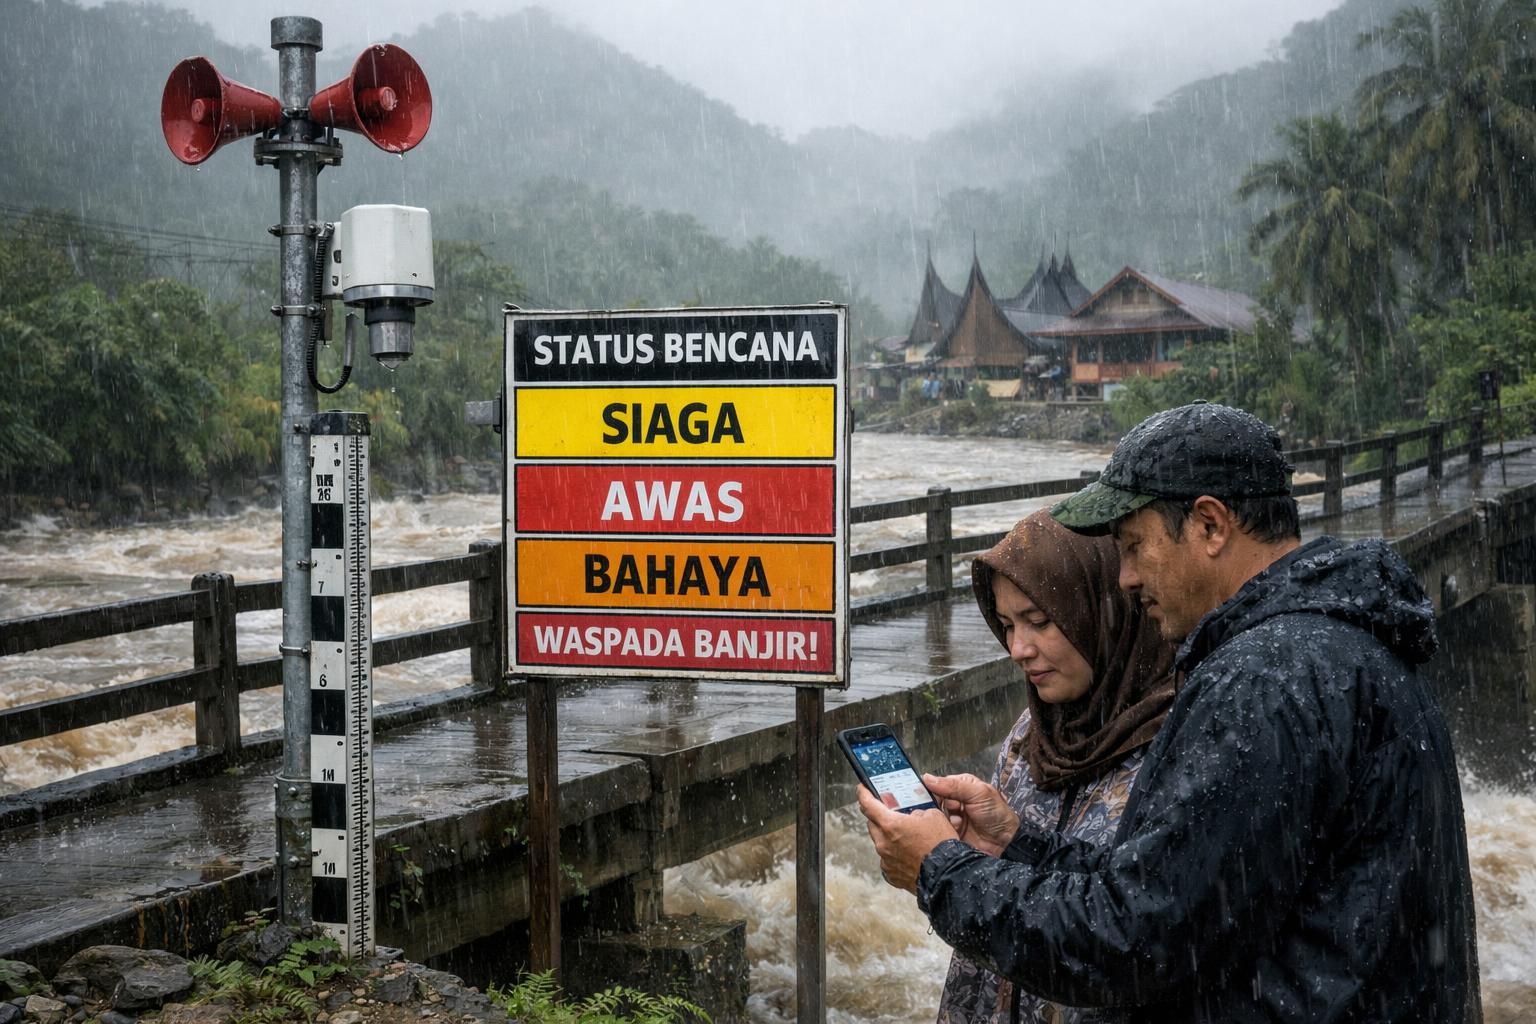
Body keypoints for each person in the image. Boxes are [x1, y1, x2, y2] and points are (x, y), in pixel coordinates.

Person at [858, 402, 1481, 1023]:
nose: (1125, 578)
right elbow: (1189, 894)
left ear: (1210, 525)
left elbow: (1132, 946)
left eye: (1134, 546)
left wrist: (941, 871)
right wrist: (1019, 845)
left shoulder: (1261, 681)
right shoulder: (1349, 644)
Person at [936, 510, 1177, 1024]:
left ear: (1103, 607)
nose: (1018, 649)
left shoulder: (1180, 746)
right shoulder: (1030, 734)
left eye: (1039, 621)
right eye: (1006, 625)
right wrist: (966, 855)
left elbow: (1139, 931)